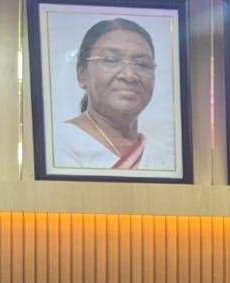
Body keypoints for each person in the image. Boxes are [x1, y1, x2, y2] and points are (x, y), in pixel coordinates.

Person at [55, 19, 175, 171]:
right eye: (111, 60)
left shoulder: (167, 158)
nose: (129, 75)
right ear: (82, 74)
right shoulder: (56, 143)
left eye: (142, 64)